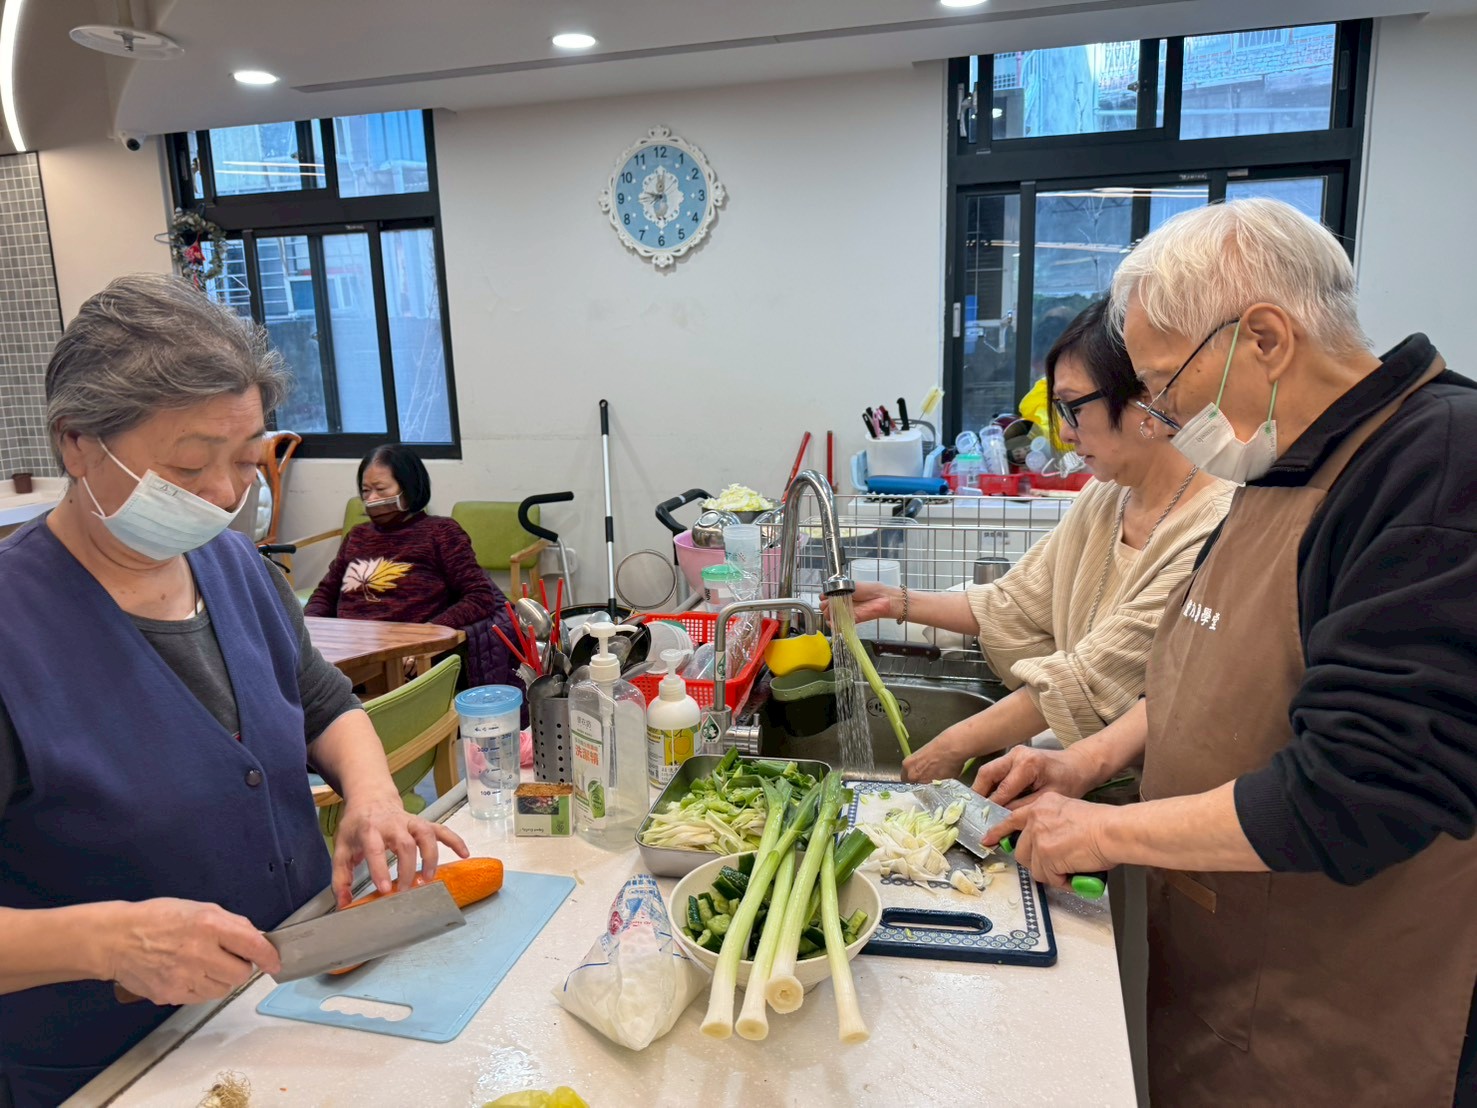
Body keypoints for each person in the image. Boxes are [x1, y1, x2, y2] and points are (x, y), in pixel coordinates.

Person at [975, 199, 1477, 1105]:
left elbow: (1364, 786)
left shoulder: (1436, 467)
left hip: (1341, 994)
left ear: (1266, 340)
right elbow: (1207, 672)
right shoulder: (1282, 460)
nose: (1161, 414)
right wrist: (1087, 762)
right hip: (1230, 961)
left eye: (1164, 383)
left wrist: (1104, 831)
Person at [0, 275, 468, 1107]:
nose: (225, 494)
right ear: (77, 443)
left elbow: (322, 702)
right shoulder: (13, 629)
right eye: (188, 463)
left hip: (278, 1018)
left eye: (248, 460)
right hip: (113, 1070)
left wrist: (371, 797)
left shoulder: (232, 565)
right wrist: (108, 941)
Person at [850, 300, 1231, 782]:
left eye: (1073, 407)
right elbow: (1016, 602)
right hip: (1088, 776)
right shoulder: (1105, 495)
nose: (1065, 433)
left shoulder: (1214, 529)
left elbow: (1092, 676)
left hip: (1156, 791)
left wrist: (952, 744)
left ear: (1146, 400)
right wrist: (894, 601)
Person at [305, 444, 499, 634]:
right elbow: (325, 594)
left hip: (410, 645)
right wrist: (309, 628)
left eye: (380, 489)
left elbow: (480, 597)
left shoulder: (441, 532)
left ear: (408, 489)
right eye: (365, 490)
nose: (371, 499)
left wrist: (430, 632)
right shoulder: (357, 536)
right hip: (350, 643)